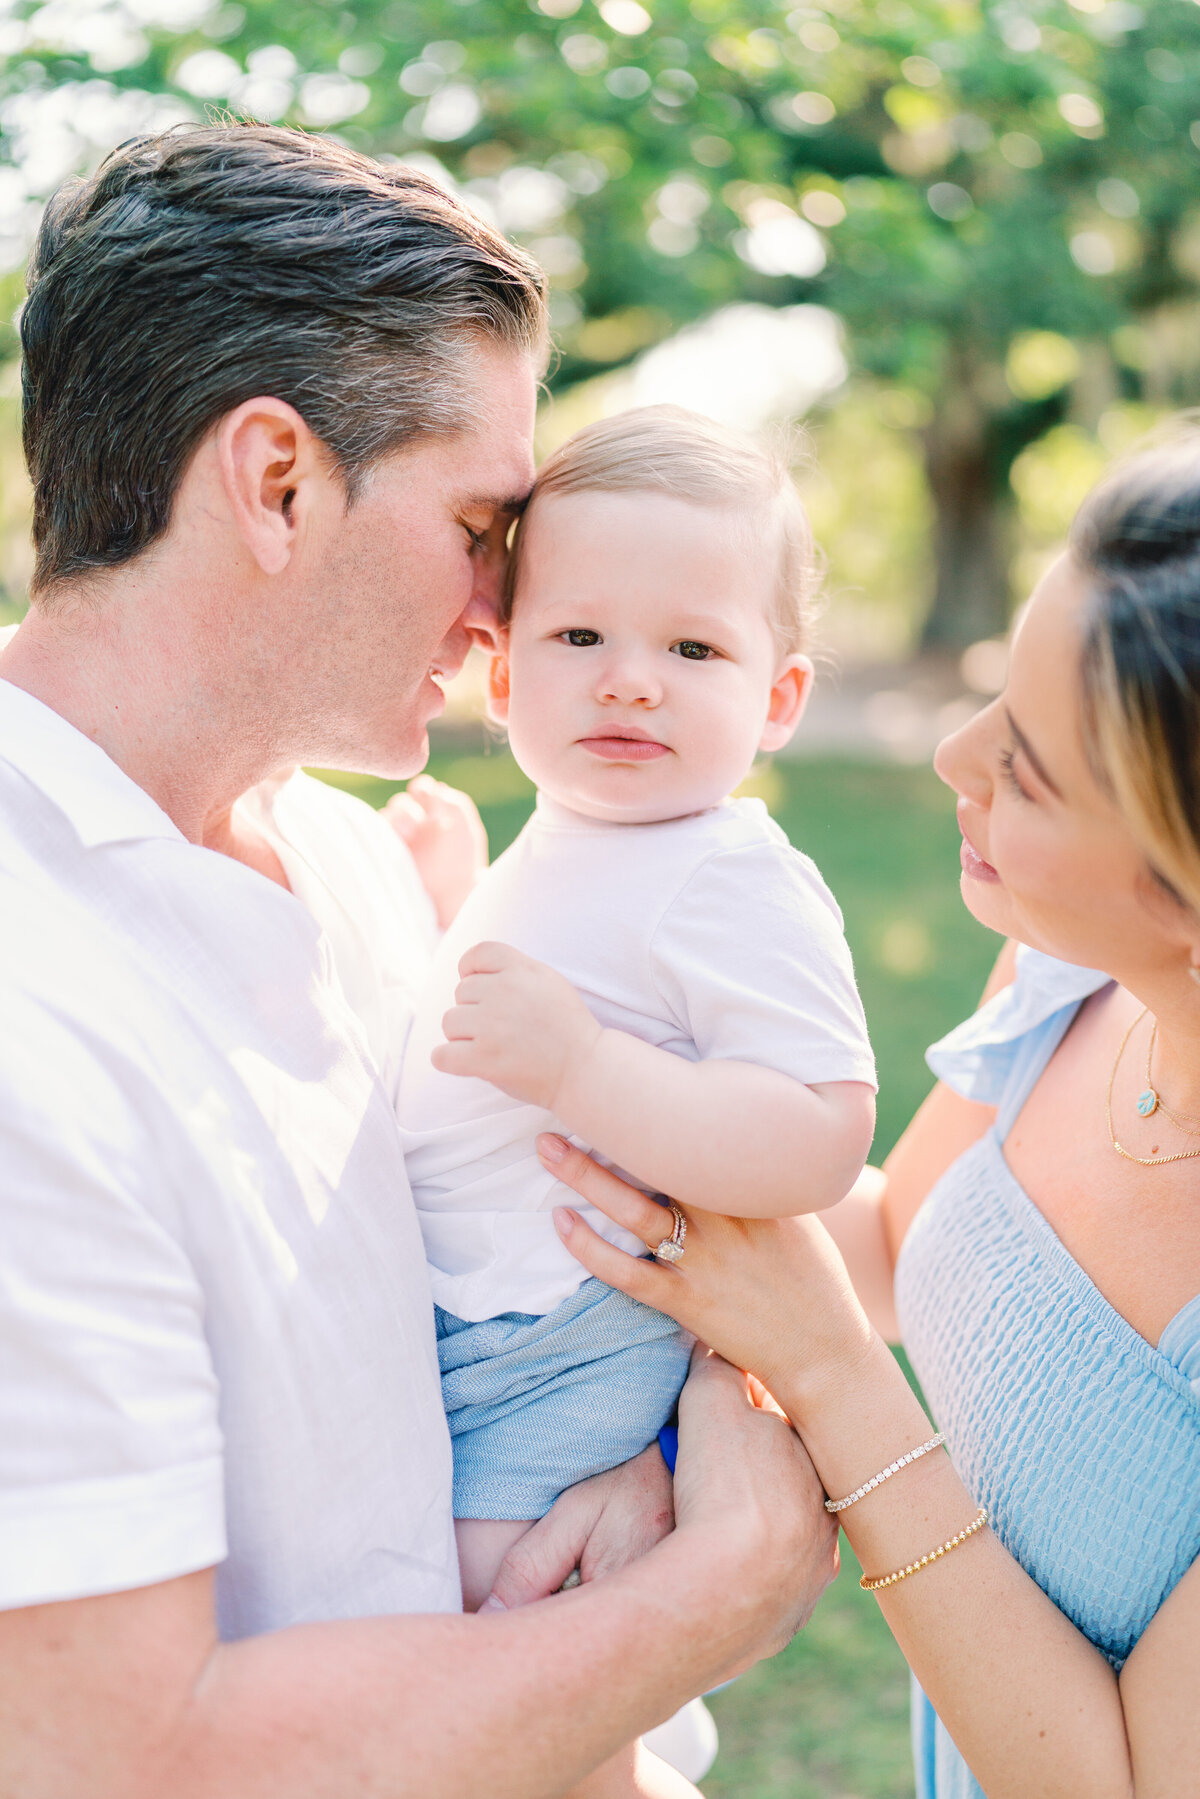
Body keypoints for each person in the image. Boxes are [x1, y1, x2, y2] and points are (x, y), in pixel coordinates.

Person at [0, 123, 840, 1799]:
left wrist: (658, 1447)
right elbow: (120, 1753)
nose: (507, 607)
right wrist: (719, 1580)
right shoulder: (32, 1016)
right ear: (280, 479)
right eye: (482, 523)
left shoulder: (350, 859)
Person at [538, 431, 1200, 1797]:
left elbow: (1113, 1780)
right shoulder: (1067, 978)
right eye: (994, 697)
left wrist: (833, 1379)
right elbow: (897, 1241)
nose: (953, 755)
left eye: (1029, 765)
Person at [397, 406, 876, 1646]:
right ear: (502, 677)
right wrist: (451, 915)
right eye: (579, 633)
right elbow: (551, 998)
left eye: (694, 649)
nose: (629, 676)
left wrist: (584, 1066)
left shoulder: (728, 874)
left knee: (492, 1617)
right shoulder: (584, 835)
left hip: (565, 1335)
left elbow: (816, 1134)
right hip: (484, 1308)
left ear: (778, 698)